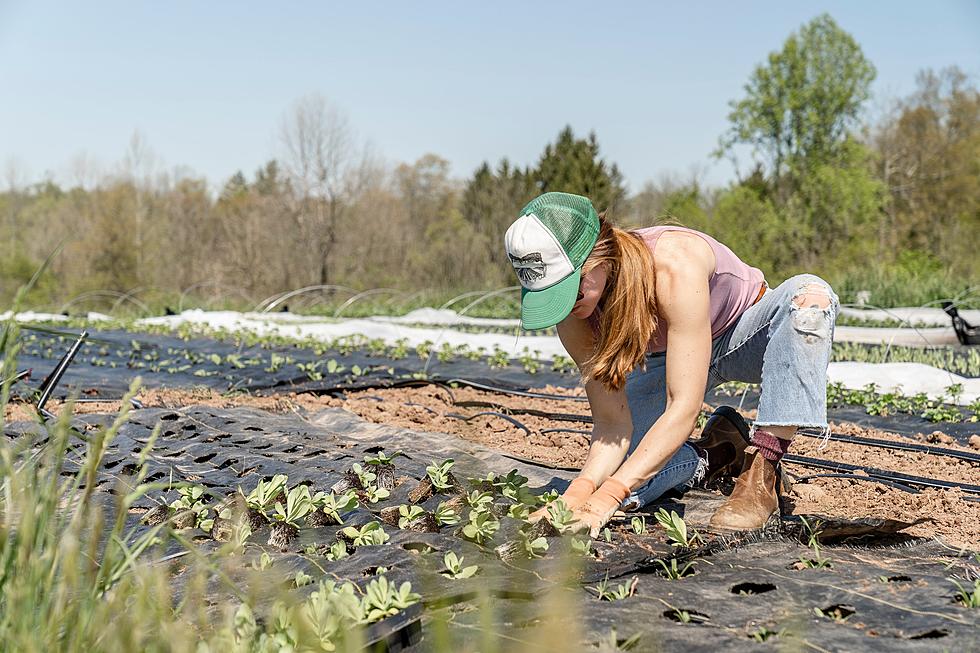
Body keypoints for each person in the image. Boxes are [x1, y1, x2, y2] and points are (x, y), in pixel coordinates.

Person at [505, 192, 839, 536]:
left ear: (599, 257)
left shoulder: (672, 264)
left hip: (745, 335)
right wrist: (580, 491)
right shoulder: (574, 317)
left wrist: (610, 495)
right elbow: (612, 425)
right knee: (628, 468)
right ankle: (716, 452)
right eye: (551, 297)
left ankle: (762, 472)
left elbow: (683, 407)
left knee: (810, 298)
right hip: (671, 357)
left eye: (570, 291)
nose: (567, 306)